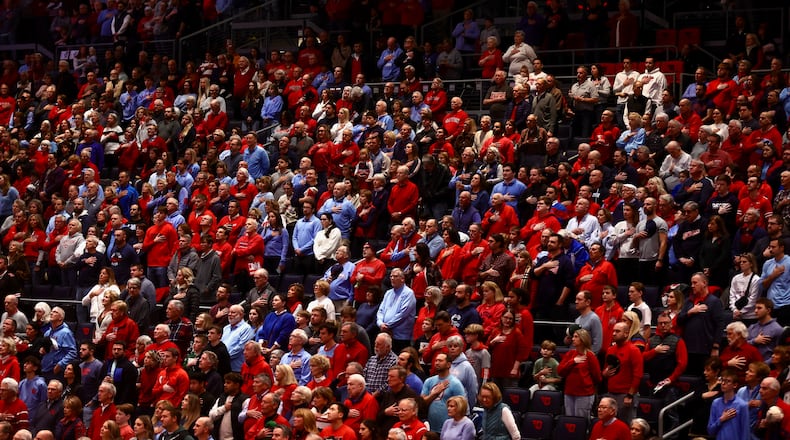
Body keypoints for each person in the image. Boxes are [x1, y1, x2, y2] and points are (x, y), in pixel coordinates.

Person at [558, 328, 601, 417]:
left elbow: (597, 377)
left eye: (576, 337)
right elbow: (560, 371)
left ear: (583, 339)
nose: (573, 339)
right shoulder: (570, 354)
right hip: (569, 393)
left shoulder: (590, 356)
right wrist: (573, 362)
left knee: (581, 421)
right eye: (573, 336)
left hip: (584, 394)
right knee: (569, 420)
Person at [707, 368, 750, 439]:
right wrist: (721, 419)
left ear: (735, 385)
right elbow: (710, 431)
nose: (723, 383)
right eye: (722, 380)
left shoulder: (742, 405)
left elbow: (745, 433)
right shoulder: (716, 403)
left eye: (728, 381)